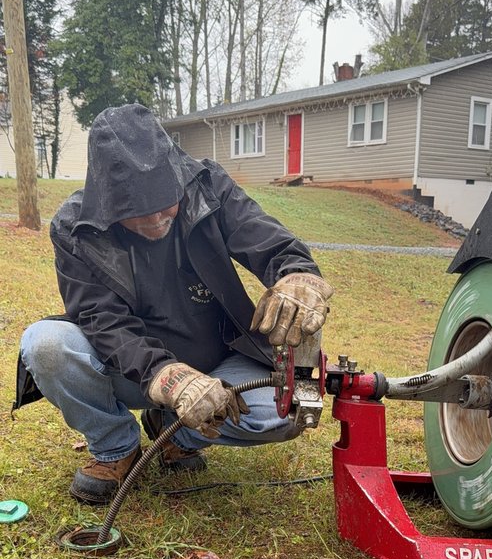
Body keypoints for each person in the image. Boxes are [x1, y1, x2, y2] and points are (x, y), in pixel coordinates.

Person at [15, 103, 333, 504]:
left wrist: (297, 275)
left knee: (284, 415)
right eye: (140, 212)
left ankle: (174, 431)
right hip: (132, 371)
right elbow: (101, 320)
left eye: (167, 202)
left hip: (220, 361)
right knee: (44, 345)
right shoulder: (75, 228)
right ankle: (116, 448)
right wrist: (170, 378)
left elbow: (267, 240)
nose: (160, 217)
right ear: (110, 204)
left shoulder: (206, 184)